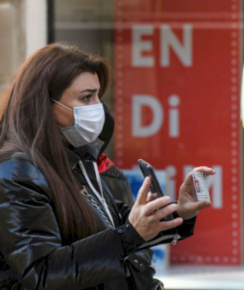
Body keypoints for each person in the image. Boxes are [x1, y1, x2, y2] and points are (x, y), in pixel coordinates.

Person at [0, 42, 213, 290]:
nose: (98, 107)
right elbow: (42, 273)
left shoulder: (75, 158)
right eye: (86, 97)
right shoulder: (16, 172)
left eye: (98, 96)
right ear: (45, 104)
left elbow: (114, 221)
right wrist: (129, 236)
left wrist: (178, 214)